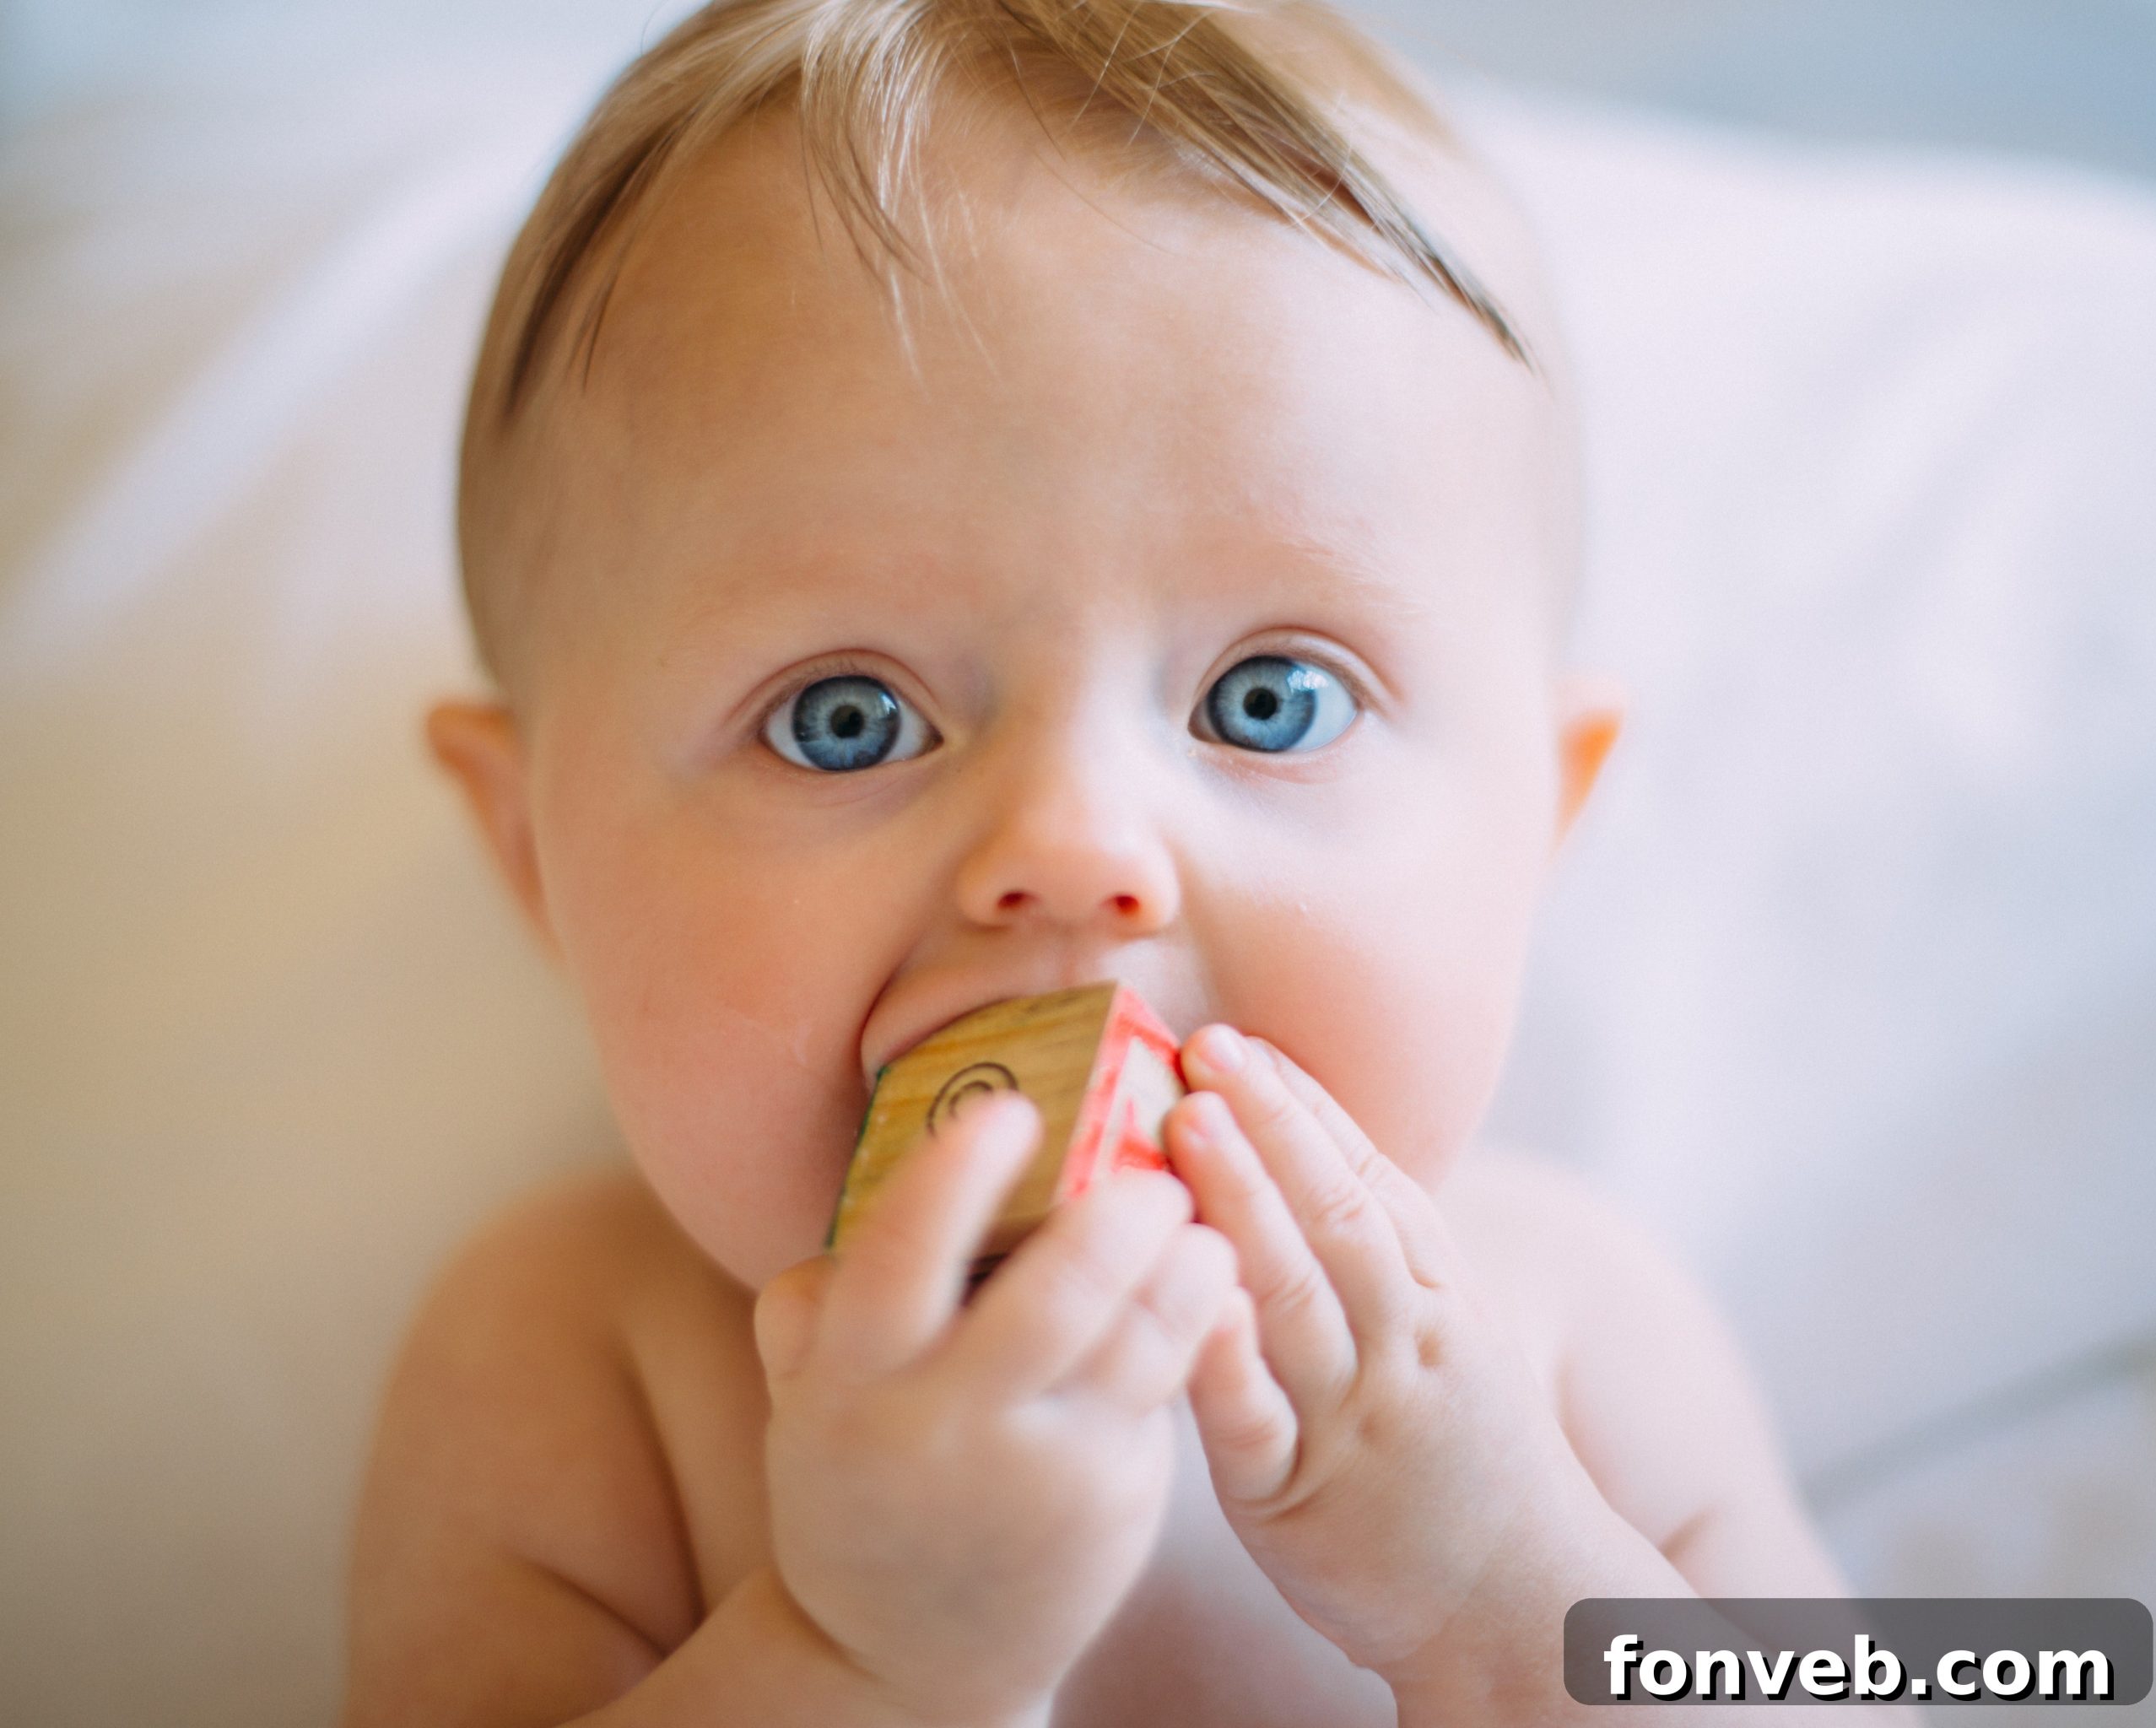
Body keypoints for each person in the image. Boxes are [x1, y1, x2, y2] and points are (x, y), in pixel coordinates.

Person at [344, 0, 1852, 1720]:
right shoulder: (574, 1359)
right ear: (537, 857)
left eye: (1270, 700)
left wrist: (1496, 1584)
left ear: (1536, 827)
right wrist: (862, 1654)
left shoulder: (1569, 1331)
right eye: (846, 717)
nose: (1074, 849)